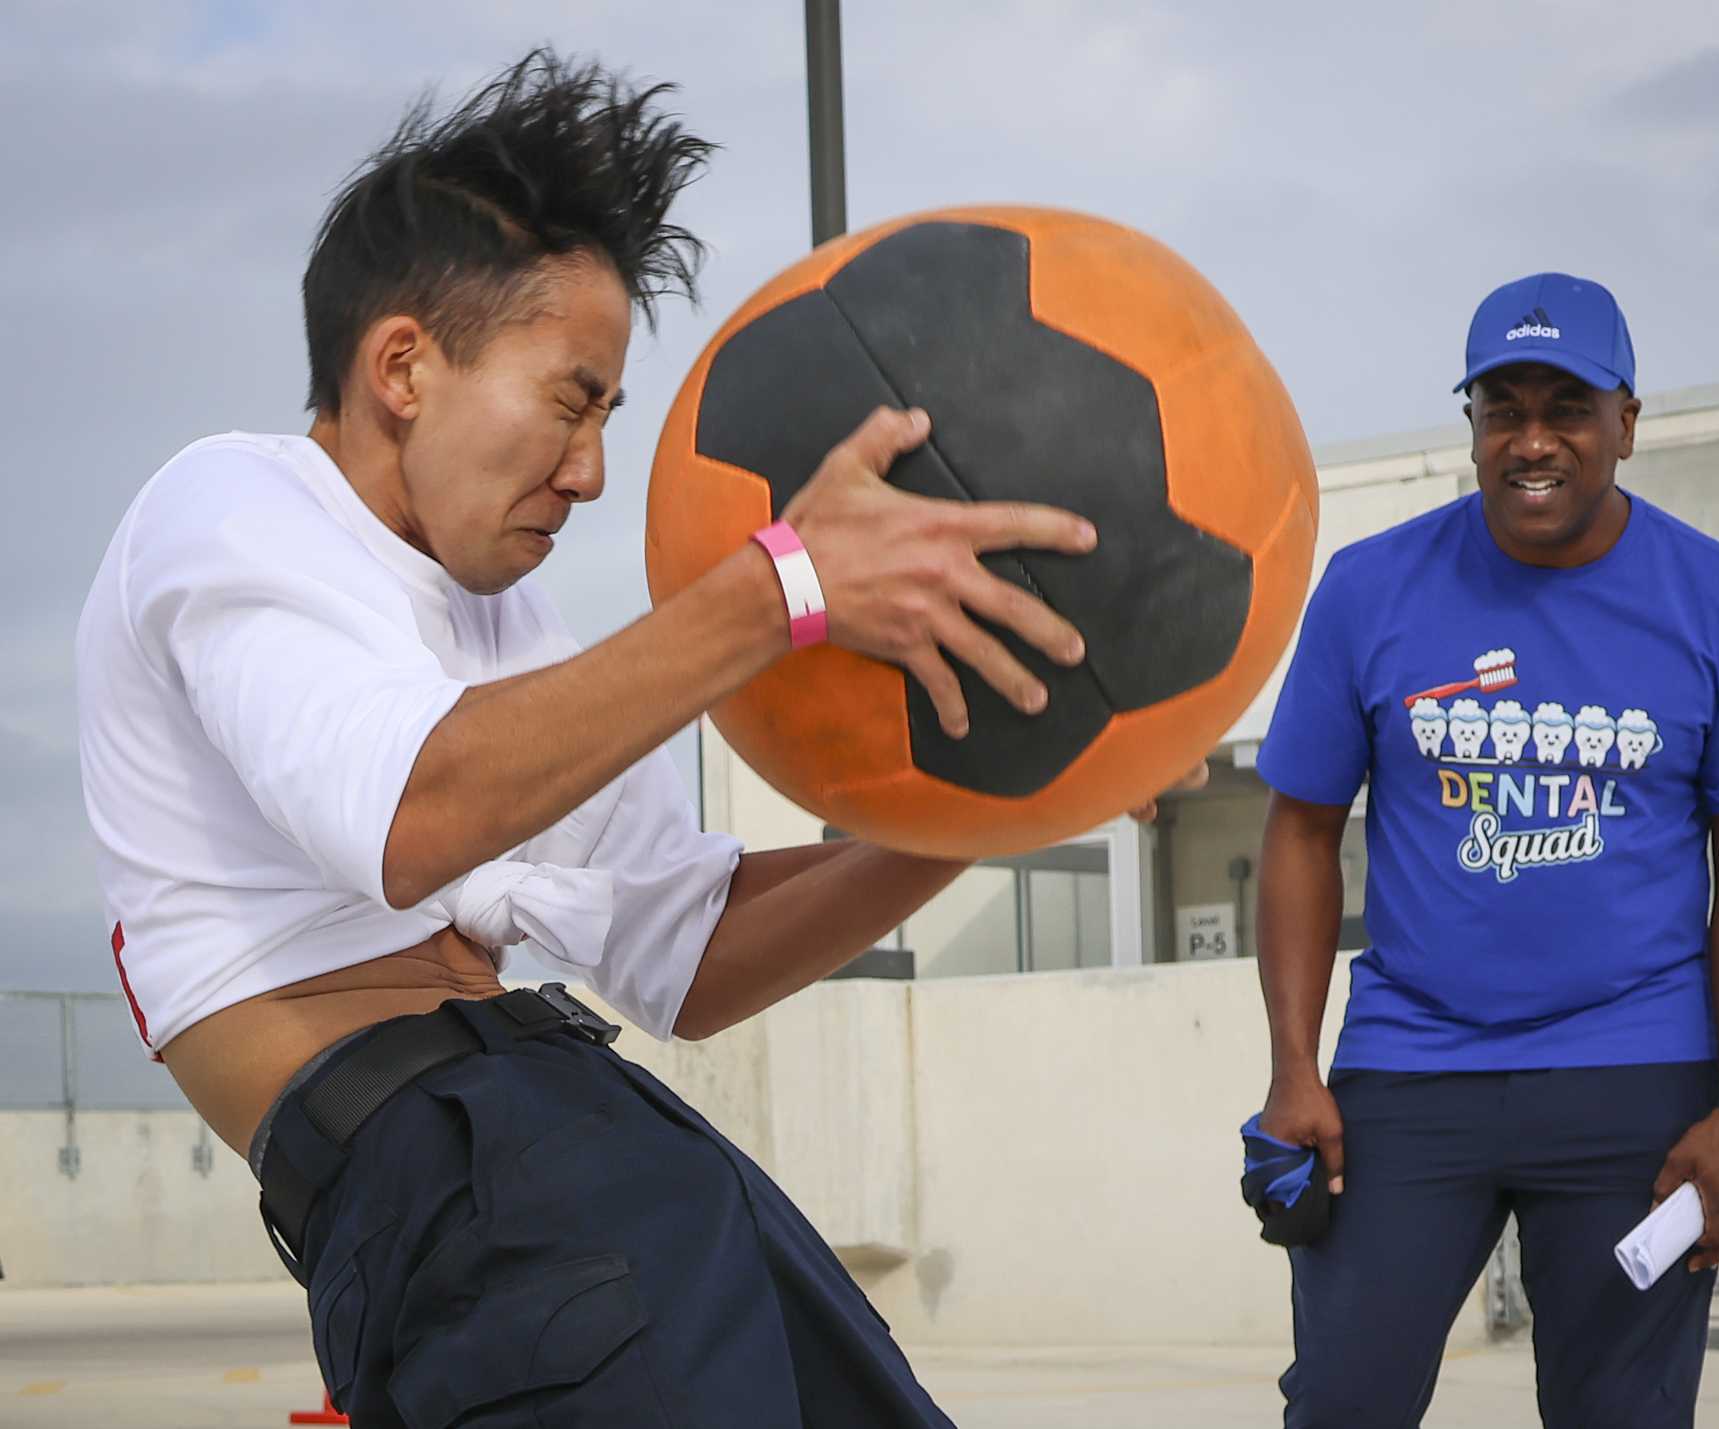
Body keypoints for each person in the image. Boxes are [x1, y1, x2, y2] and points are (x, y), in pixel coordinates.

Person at [76, 51, 1190, 1427]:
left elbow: (694, 952)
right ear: (404, 366)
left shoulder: (511, 624)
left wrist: (1002, 807)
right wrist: (786, 581)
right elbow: (413, 817)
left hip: (591, 1134)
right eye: (570, 398)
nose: (593, 469)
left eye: (610, 416)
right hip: (451, 1172)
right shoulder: (234, 509)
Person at [1252, 272, 1719, 1428]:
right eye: (1500, 407)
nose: (1531, 439)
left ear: (1625, 422)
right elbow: (1300, 830)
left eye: (1566, 404)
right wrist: (1293, 1069)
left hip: (1635, 1081)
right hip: (1409, 1069)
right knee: (1340, 1404)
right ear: (1469, 425)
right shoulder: (1368, 590)